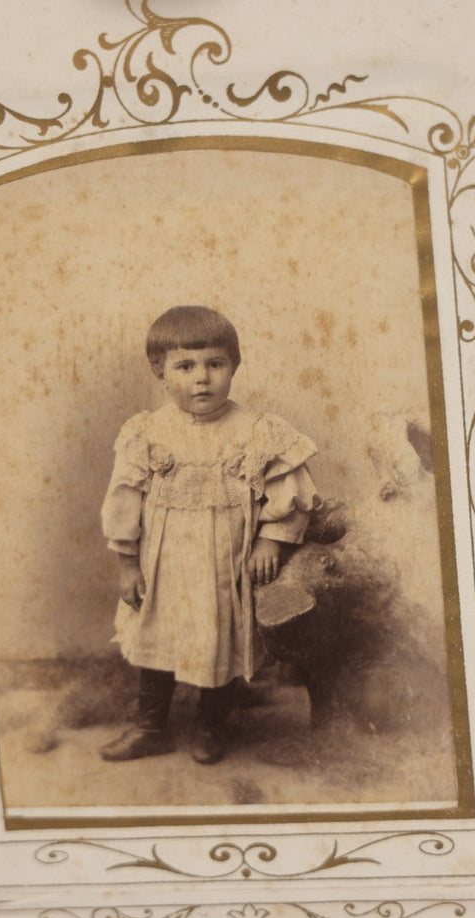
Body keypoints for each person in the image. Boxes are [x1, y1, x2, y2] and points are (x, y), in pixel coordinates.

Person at [99, 306, 319, 765]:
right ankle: (150, 727)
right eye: (185, 366)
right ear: (160, 371)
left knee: (217, 643)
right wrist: (126, 563)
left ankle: (211, 726)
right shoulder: (148, 432)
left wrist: (269, 540)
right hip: (162, 567)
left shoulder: (255, 432)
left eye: (215, 364)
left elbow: (289, 490)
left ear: (233, 367)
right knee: (155, 640)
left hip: (224, 564)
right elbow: (124, 499)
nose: (202, 379)